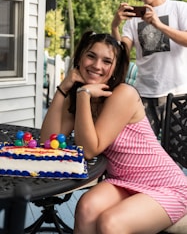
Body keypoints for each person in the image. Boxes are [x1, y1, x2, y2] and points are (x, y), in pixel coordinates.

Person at [41, 30, 187, 234]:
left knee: (111, 223)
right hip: (122, 181)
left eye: (107, 61)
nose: (97, 65)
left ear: (115, 68)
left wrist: (83, 95)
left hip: (166, 186)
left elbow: (89, 150)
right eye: (91, 56)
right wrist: (63, 89)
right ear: (81, 57)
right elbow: (48, 141)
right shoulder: (77, 96)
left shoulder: (123, 94)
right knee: (86, 207)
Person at [111, 0, 187, 137]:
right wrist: (115, 25)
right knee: (145, 151)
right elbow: (121, 54)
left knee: (176, 151)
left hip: (176, 93)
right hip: (144, 94)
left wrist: (158, 24)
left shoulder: (179, 8)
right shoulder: (132, 21)